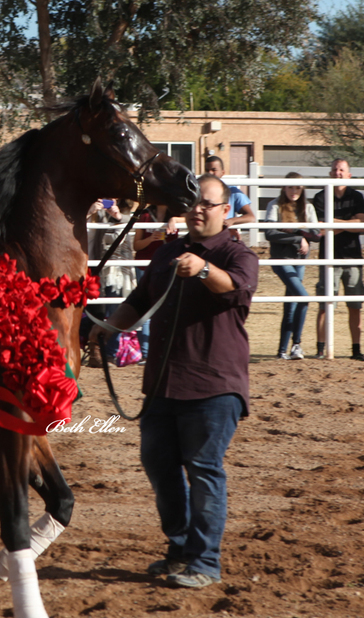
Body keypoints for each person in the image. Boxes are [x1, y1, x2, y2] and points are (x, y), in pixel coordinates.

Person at [89, 174, 258, 589]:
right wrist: (107, 327)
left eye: (208, 203)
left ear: (225, 211)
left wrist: (202, 270)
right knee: (160, 466)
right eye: (193, 202)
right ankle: (180, 547)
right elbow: (138, 302)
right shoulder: (166, 254)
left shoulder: (238, 255)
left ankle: (205, 561)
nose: (198, 209)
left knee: (203, 470)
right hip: (163, 383)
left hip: (214, 385)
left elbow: (235, 290)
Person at [311, 159, 364, 361]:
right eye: (335, 169)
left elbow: (362, 225)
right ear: (330, 173)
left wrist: (333, 223)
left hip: (353, 257)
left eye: (342, 170)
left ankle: (356, 350)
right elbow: (320, 229)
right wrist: (349, 223)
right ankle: (321, 350)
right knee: (325, 305)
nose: (338, 173)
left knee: (355, 305)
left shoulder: (356, 196)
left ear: (349, 175)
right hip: (328, 258)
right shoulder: (321, 197)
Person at [263, 173, 319, 360]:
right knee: (303, 298)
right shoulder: (275, 205)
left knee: (292, 303)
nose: (294, 191)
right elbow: (270, 233)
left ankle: (282, 350)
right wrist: (299, 237)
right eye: (290, 187)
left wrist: (301, 232)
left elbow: (316, 233)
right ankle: (296, 344)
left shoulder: (307, 207)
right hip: (282, 259)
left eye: (297, 188)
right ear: (284, 188)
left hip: (300, 259)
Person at [83, 198, 136, 366]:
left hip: (110, 271)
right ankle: (93, 348)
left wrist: (117, 217)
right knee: (91, 309)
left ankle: (107, 353)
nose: (108, 201)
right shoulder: (89, 212)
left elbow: (131, 230)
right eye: (105, 197)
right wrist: (89, 212)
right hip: (86, 266)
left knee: (112, 310)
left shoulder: (121, 214)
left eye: (112, 198)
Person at [132, 206, 179, 360]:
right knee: (147, 307)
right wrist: (150, 239)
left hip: (167, 265)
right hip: (145, 265)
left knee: (167, 306)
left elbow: (191, 216)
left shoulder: (176, 212)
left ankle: (162, 350)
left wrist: (175, 220)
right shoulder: (144, 214)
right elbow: (136, 245)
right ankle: (147, 353)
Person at [204, 156, 256, 228]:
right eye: (207, 170)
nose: (210, 173)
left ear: (222, 172)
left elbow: (251, 217)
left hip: (224, 234)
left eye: (214, 170)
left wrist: (232, 221)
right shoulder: (200, 192)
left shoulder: (233, 192)